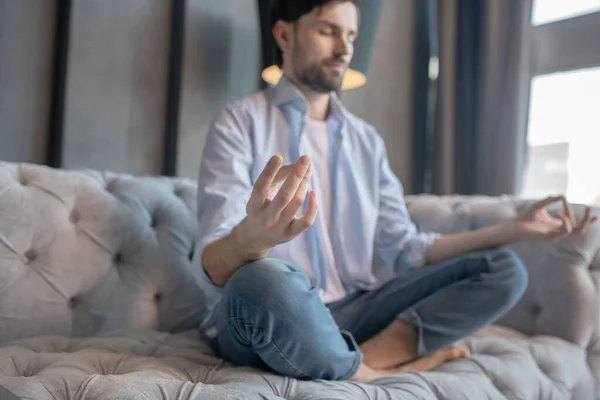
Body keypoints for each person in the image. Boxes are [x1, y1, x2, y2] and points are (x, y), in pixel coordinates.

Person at [192, 0, 597, 382]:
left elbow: (406, 250)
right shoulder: (239, 123)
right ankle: (379, 374)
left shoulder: (367, 141)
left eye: (350, 36)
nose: (343, 48)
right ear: (284, 35)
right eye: (328, 31)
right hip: (276, 310)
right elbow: (214, 265)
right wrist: (249, 241)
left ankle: (360, 360)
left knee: (504, 269)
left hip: (356, 309)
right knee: (260, 281)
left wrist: (513, 228)